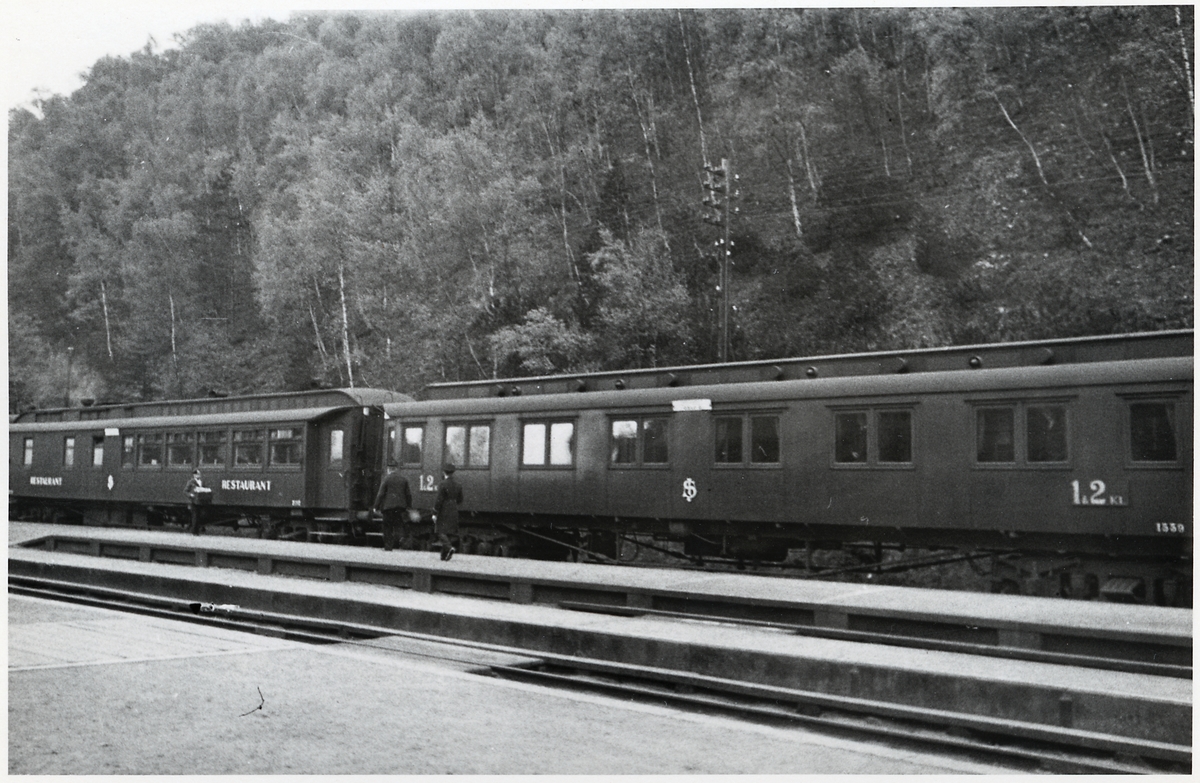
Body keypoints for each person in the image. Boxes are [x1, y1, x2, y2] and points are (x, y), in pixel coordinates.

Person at [372, 463, 412, 552]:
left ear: (388, 469)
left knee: (387, 527)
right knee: (399, 525)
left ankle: (388, 547)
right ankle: (401, 542)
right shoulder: (404, 479)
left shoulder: (386, 479)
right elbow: (408, 495)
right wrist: (409, 506)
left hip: (388, 508)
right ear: (396, 469)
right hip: (400, 507)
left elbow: (381, 494)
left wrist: (376, 506)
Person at [433, 462, 463, 561]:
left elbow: (439, 500)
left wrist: (434, 512)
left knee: (440, 531)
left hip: (444, 509)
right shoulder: (458, 485)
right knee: (449, 533)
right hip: (454, 509)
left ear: (444, 472)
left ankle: (449, 548)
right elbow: (460, 500)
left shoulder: (442, 484)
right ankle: (444, 556)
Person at [185, 469, 207, 536]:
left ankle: (196, 530)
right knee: (195, 516)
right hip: (193, 501)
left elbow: (204, 488)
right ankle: (194, 531)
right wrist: (190, 495)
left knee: (199, 516)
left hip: (200, 501)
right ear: (194, 475)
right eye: (197, 474)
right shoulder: (191, 482)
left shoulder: (201, 482)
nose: (198, 475)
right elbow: (186, 491)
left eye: (199, 474)